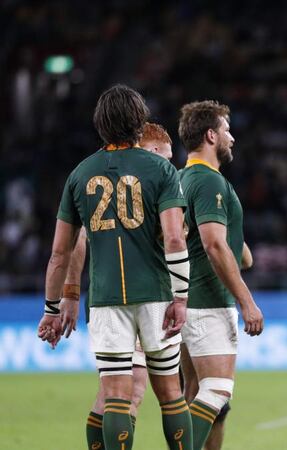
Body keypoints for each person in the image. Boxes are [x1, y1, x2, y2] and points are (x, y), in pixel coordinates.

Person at [37, 84, 192, 450]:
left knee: (116, 397)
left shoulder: (79, 175)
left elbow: (60, 253)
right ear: (139, 121)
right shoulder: (161, 169)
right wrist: (181, 296)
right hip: (155, 293)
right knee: (170, 392)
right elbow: (174, 238)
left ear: (100, 123)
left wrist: (51, 307)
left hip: (106, 299)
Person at [177, 100, 264, 450]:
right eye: (227, 130)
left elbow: (215, 242)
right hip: (208, 301)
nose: (233, 138)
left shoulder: (180, 179)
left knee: (193, 392)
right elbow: (214, 245)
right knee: (217, 391)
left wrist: (238, 247)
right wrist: (247, 303)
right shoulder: (209, 182)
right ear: (211, 135)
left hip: (182, 301)